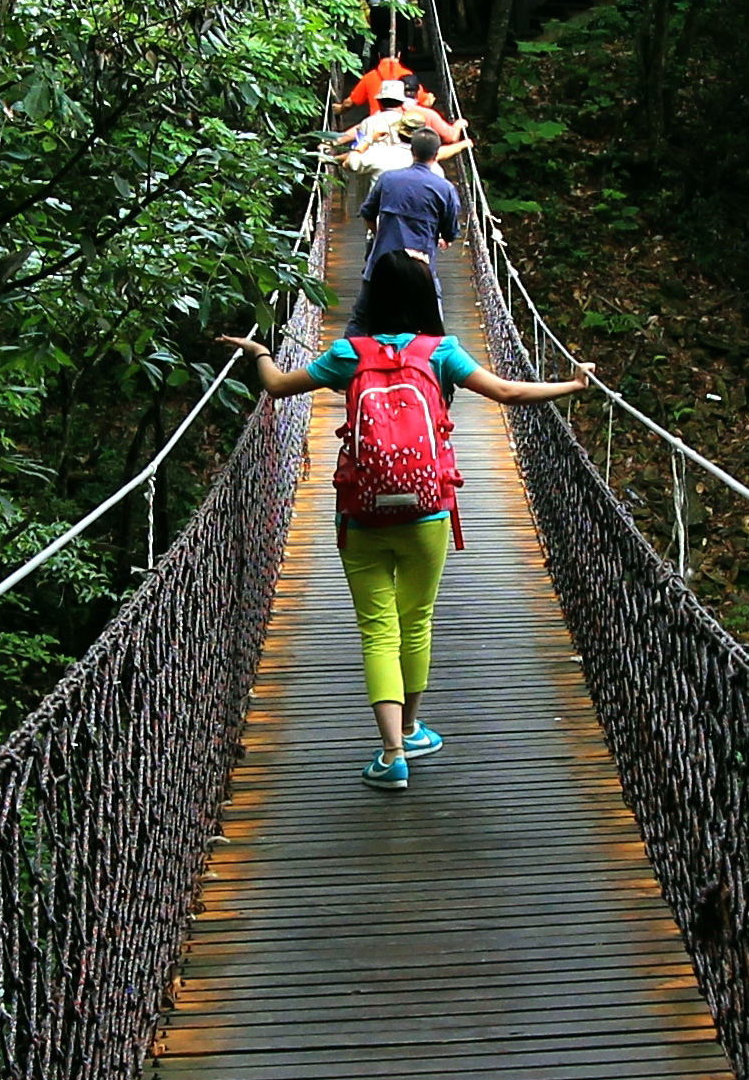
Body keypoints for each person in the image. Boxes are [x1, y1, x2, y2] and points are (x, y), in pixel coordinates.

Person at [225, 253, 588, 787]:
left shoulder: (349, 352)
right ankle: (414, 727)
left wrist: (259, 353)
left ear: (372, 299)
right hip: (428, 507)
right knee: (415, 622)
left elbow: (276, 386)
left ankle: (392, 752)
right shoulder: (443, 352)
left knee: (378, 631)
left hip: (362, 510)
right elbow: (510, 393)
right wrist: (574, 386)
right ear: (426, 298)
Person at [361, 120, 465, 266]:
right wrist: (447, 238)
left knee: (371, 283)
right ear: (436, 155)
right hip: (422, 260)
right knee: (430, 287)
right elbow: (450, 228)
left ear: (412, 151)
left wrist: (379, 234)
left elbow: (367, 212)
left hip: (385, 258)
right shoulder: (445, 188)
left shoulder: (387, 179)